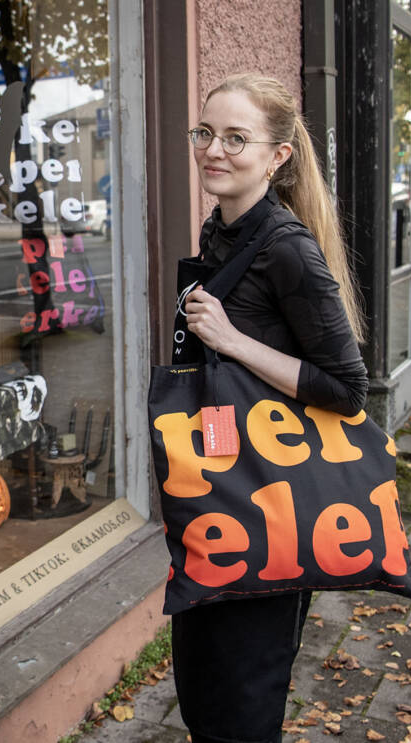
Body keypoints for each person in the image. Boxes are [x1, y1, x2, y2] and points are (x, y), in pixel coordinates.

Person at [173, 74, 369, 742]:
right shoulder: (220, 231)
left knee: (242, 712)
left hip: (270, 510)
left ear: (278, 155)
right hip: (215, 499)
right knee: (201, 693)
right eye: (206, 133)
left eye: (236, 138)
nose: (214, 150)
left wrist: (230, 339)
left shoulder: (287, 247)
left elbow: (346, 388)